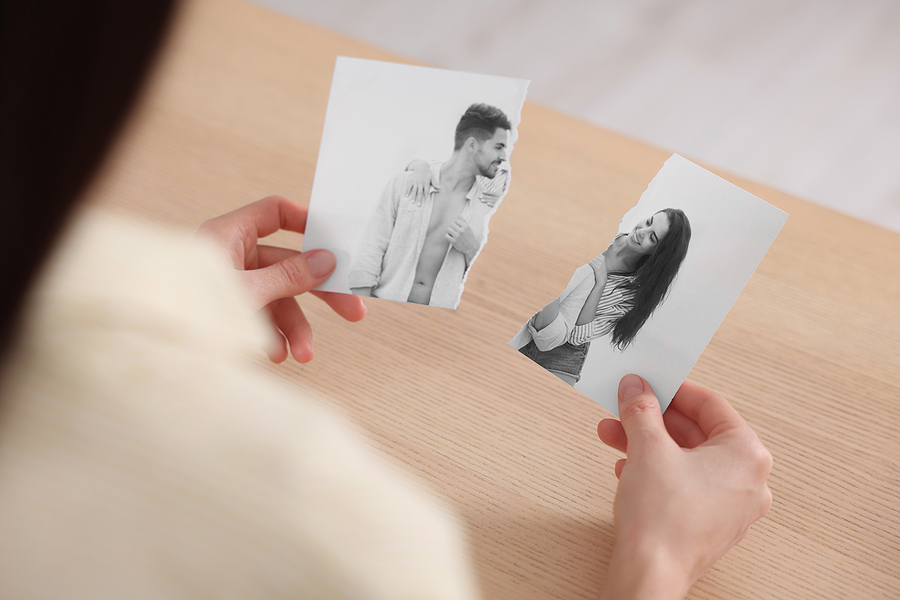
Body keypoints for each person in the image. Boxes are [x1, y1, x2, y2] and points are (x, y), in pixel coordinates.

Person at [0, 2, 771, 598]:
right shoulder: (343, 533)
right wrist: (659, 559)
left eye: (650, 230)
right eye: (498, 149)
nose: (505, 162)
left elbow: (545, 327)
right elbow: (431, 283)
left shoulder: (487, 231)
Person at [349, 103, 511, 308]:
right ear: (472, 145)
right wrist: (362, 306)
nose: (504, 156)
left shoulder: (490, 205)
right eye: (498, 147)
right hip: (384, 304)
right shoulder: (406, 183)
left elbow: (497, 280)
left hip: (439, 320)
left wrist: (472, 249)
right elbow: (371, 248)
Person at [510, 209, 691, 385]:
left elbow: (578, 337)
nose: (641, 231)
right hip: (535, 321)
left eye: (652, 237)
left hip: (564, 352)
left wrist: (600, 283)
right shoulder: (605, 232)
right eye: (648, 222)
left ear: (658, 253)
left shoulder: (632, 293)